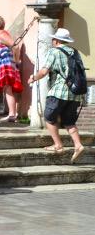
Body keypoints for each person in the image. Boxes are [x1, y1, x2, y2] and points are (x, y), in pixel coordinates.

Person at [28, 27, 86, 162]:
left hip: (59, 91)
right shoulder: (75, 52)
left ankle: (58, 145)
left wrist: (33, 78)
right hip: (75, 93)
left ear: (56, 40)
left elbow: (44, 71)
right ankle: (78, 145)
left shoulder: (54, 51)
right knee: (69, 121)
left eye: (53, 38)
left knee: (48, 117)